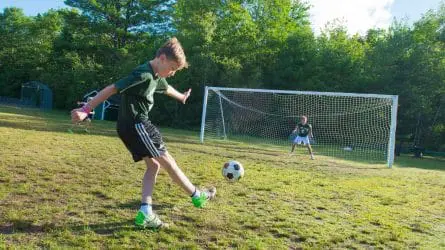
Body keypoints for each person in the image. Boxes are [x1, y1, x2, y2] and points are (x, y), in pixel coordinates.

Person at [71, 37, 216, 230]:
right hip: (138, 125)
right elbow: (112, 88)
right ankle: (197, 196)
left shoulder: (156, 75)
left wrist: (181, 97)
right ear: (162, 58)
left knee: (154, 166)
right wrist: (86, 109)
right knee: (169, 163)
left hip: (128, 127)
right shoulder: (143, 75)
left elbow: (166, 88)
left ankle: (145, 211)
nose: (172, 73)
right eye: (172, 68)